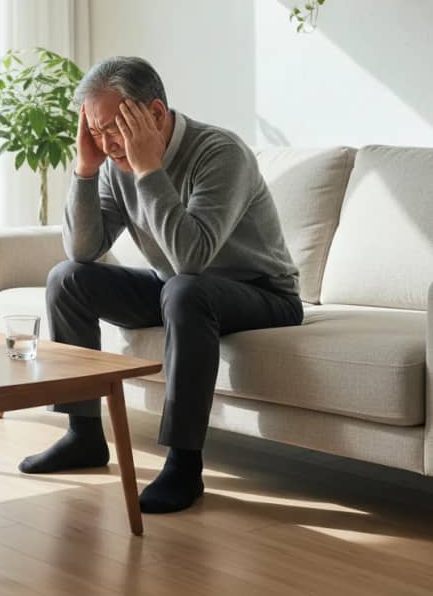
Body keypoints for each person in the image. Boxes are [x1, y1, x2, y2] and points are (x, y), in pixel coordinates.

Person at [18, 56, 302, 514]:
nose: (106, 142)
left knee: (185, 289)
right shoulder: (112, 162)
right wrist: (85, 169)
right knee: (67, 279)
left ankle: (184, 464)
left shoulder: (220, 153)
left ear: (152, 113)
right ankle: (83, 435)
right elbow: (83, 250)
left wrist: (149, 169)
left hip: (263, 293)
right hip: (179, 290)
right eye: (95, 130)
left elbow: (191, 258)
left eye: (114, 127)